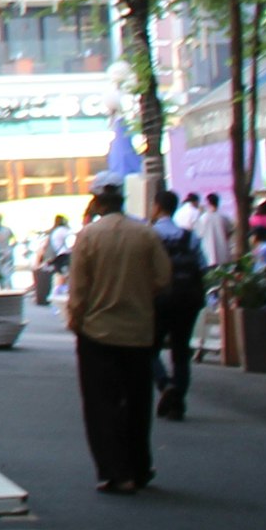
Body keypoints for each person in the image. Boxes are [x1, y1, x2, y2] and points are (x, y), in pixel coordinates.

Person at [65, 180, 170, 492]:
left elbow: (79, 290)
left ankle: (114, 471)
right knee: (137, 403)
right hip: (137, 331)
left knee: (101, 405)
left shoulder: (88, 237)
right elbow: (163, 277)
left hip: (98, 332)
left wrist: (76, 320)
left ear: (98, 205)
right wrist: (139, 297)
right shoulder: (145, 234)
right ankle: (138, 466)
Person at [149, 186, 207, 419]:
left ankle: (165, 385)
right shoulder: (189, 236)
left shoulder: (149, 235)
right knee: (181, 351)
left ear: (157, 207)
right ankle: (178, 400)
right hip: (187, 299)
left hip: (159, 299)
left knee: (150, 348)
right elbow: (202, 266)